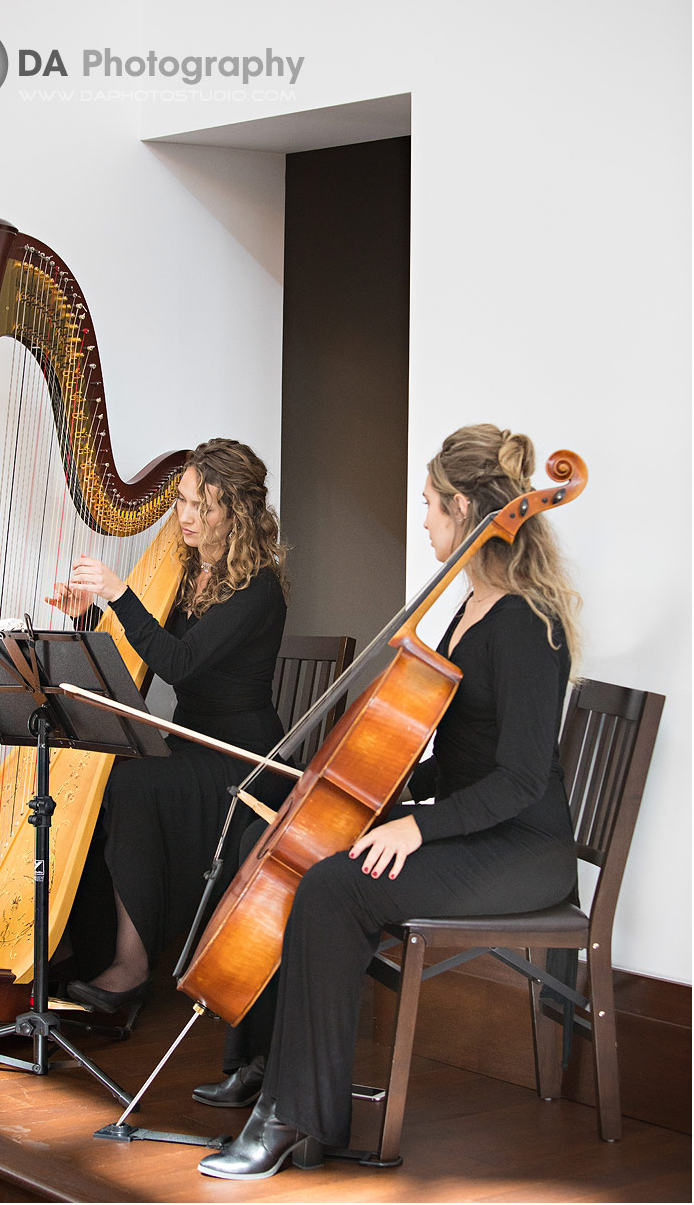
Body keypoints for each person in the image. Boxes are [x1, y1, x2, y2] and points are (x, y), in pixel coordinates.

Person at [194, 423, 583, 1181]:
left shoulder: (527, 626)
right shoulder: (469, 609)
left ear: (466, 508)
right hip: (479, 829)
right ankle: (269, 1070)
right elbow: (465, 752)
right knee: (294, 848)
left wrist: (416, 825)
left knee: (336, 886)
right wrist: (383, 789)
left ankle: (295, 1115)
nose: (425, 521)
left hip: (525, 850)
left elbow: (520, 780)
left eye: (431, 506)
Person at [46, 438, 291, 1012]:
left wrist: (118, 594)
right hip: (189, 746)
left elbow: (177, 662)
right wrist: (89, 612)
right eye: (181, 501)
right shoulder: (185, 575)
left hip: (244, 761)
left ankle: (131, 968)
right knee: (102, 772)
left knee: (132, 784)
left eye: (201, 507)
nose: (184, 516)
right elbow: (151, 654)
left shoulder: (259, 590)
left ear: (237, 513)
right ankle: (83, 956)